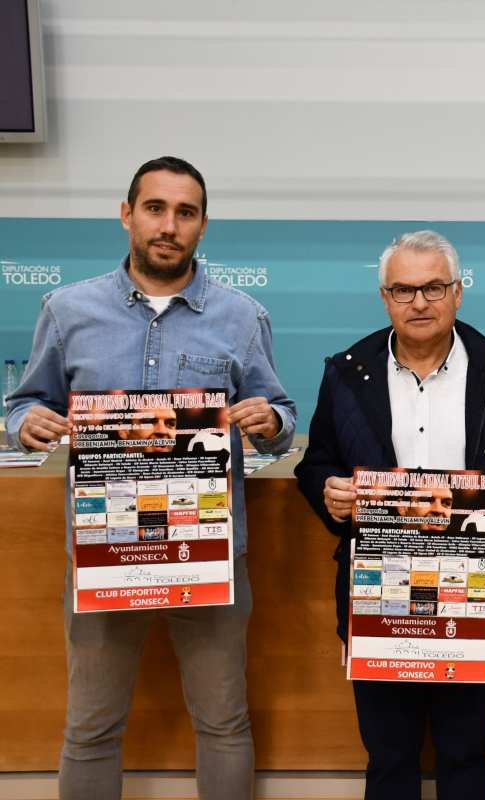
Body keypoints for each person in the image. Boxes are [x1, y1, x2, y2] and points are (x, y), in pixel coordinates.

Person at [4, 156, 296, 800]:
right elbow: (24, 404)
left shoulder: (243, 316)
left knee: (223, 722)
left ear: (202, 226)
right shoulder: (67, 309)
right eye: (156, 208)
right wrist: (27, 424)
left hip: (211, 557)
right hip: (104, 556)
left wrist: (267, 418)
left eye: (185, 213)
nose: (170, 225)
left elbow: (281, 416)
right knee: (90, 727)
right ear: (127, 214)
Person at [294, 230, 485, 800]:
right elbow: (317, 462)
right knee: (389, 757)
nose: (419, 302)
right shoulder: (346, 371)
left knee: (466, 752)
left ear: (458, 293)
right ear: (385, 297)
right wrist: (328, 493)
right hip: (379, 594)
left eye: (433, 287)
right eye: (404, 290)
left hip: (475, 593)